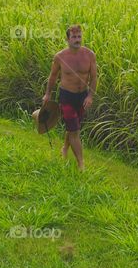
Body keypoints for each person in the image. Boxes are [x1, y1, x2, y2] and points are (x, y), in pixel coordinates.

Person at [42, 24, 98, 171]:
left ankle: (65, 148)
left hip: (82, 97)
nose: (77, 39)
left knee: (74, 126)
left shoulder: (89, 55)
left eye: (79, 36)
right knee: (74, 130)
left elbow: (94, 77)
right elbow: (53, 76)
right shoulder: (60, 57)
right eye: (74, 37)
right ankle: (81, 164)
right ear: (67, 39)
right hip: (66, 96)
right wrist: (48, 93)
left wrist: (90, 96)